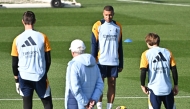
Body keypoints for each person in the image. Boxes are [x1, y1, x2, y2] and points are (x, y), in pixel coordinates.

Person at [11, 11, 53, 109]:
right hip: (40, 76)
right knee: (47, 104)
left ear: (23, 21)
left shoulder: (17, 40)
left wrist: (16, 80)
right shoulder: (43, 37)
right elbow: (48, 60)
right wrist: (43, 73)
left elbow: (14, 63)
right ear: (35, 21)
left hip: (24, 77)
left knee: (27, 105)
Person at [91, 5, 123, 109]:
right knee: (99, 85)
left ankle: (109, 107)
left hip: (113, 61)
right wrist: (92, 60)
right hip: (100, 61)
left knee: (112, 84)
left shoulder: (118, 26)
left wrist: (121, 62)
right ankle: (99, 107)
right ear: (103, 14)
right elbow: (94, 44)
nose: (108, 17)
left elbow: (120, 46)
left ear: (113, 14)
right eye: (106, 15)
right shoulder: (98, 25)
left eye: (110, 15)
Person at [140, 33, 179, 109]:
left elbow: (143, 71)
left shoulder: (146, 54)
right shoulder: (168, 52)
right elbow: (174, 69)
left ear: (148, 43)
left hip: (154, 89)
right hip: (167, 88)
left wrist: (142, 85)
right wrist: (176, 85)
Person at [65, 39, 104, 109]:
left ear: (73, 52)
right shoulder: (95, 65)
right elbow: (100, 84)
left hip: (74, 103)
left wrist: (85, 103)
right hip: (90, 104)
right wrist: (93, 100)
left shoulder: (73, 65)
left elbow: (75, 88)